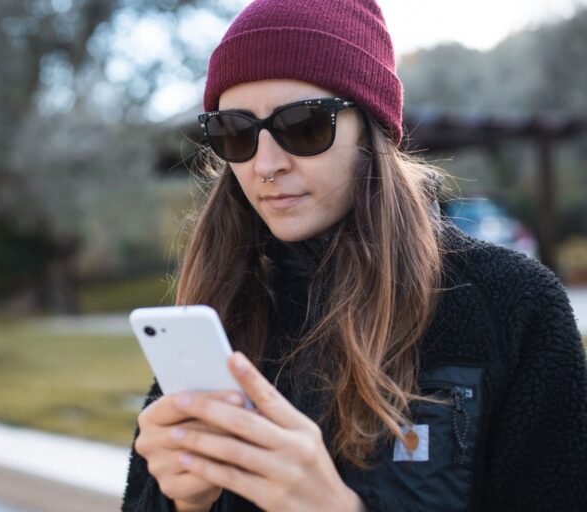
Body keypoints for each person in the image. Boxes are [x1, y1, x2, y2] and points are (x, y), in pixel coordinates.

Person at [121, 0, 587, 510]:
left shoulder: (512, 304)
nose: (266, 164)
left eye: (303, 126)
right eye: (235, 133)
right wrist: (181, 503)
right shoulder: (223, 310)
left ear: (372, 130)